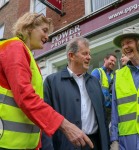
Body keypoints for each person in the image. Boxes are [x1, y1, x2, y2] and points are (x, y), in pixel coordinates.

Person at [0, 12, 94, 149]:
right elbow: (25, 96)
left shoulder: (27, 56)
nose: (47, 37)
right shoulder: (15, 48)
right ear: (29, 27)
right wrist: (65, 125)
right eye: (44, 30)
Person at [41, 37, 109, 150]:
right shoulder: (52, 82)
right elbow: (45, 119)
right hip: (66, 145)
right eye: (85, 53)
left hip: (94, 145)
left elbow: (103, 118)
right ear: (71, 56)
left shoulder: (95, 82)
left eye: (90, 54)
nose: (89, 57)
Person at [110, 26, 139, 150]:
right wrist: (114, 140)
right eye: (122, 44)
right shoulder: (119, 75)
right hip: (126, 141)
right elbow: (115, 111)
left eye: (129, 42)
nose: (125, 47)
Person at [91, 53, 117, 125]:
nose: (113, 63)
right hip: (99, 108)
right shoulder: (97, 72)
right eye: (111, 60)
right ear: (105, 59)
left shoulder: (113, 76)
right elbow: (92, 90)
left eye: (115, 62)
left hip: (110, 110)